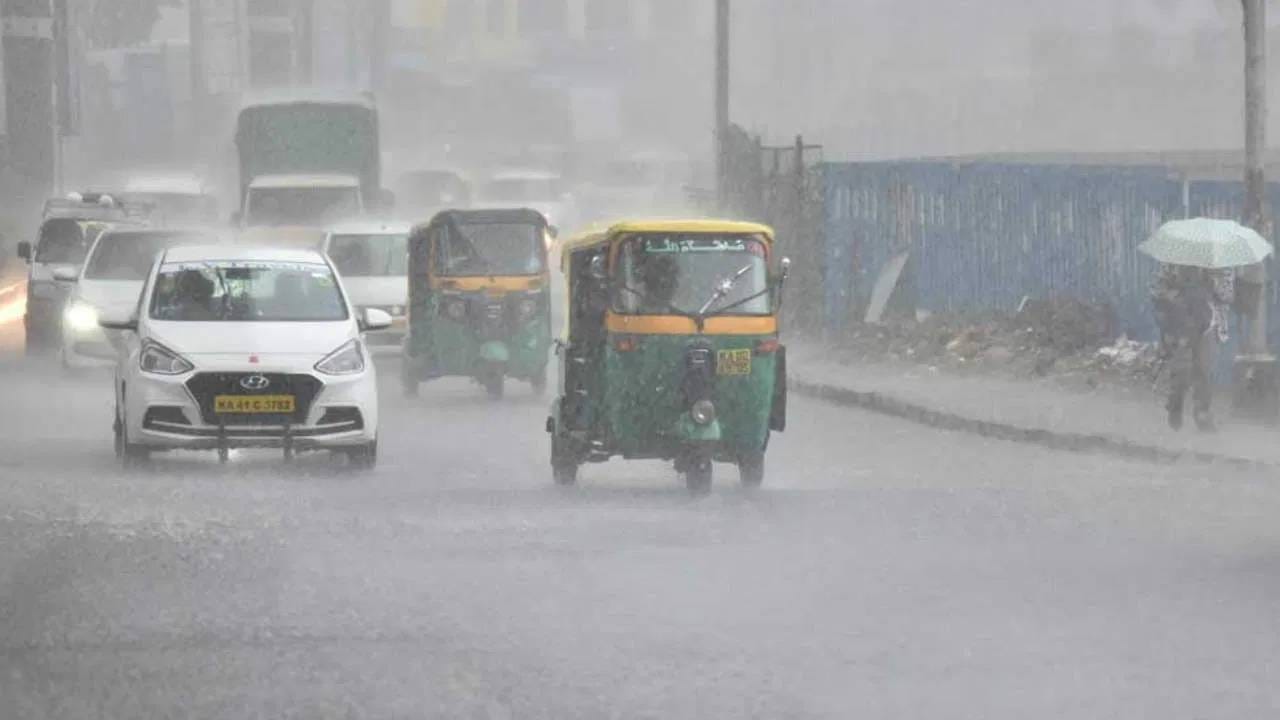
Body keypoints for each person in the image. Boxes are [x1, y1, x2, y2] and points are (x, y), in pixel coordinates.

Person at [1150, 263, 1234, 431]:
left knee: (1203, 369)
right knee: (1182, 370)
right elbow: (1156, 289)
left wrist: (1214, 283)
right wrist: (1173, 295)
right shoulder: (1173, 261)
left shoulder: (1221, 264)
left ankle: (1202, 413)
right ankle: (1176, 403)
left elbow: (1228, 295)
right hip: (1180, 322)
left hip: (1209, 324)